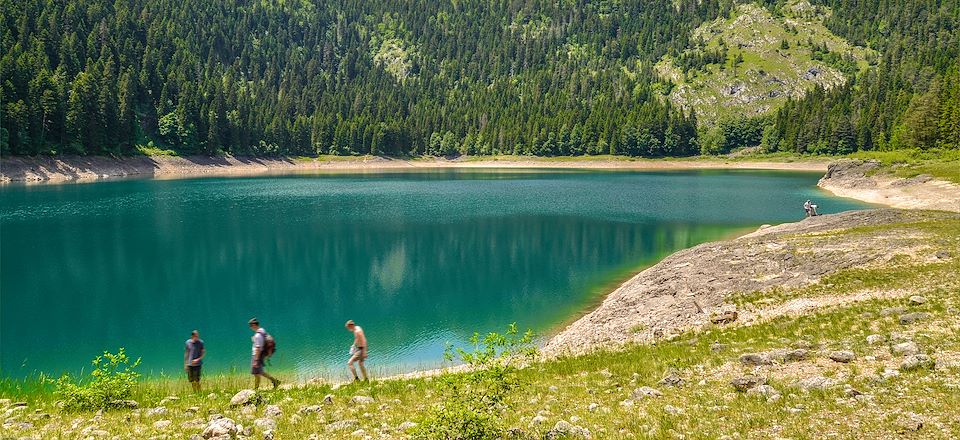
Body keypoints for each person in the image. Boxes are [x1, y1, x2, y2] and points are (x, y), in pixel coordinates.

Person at [249, 318, 280, 389]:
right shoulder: (262, 330)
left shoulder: (257, 335)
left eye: (250, 326)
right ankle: (275, 381)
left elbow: (258, 348)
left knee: (256, 373)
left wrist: (256, 360)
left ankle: (256, 389)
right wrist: (254, 339)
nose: (250, 328)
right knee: (260, 372)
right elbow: (262, 341)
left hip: (257, 355)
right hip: (261, 355)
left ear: (254, 325)